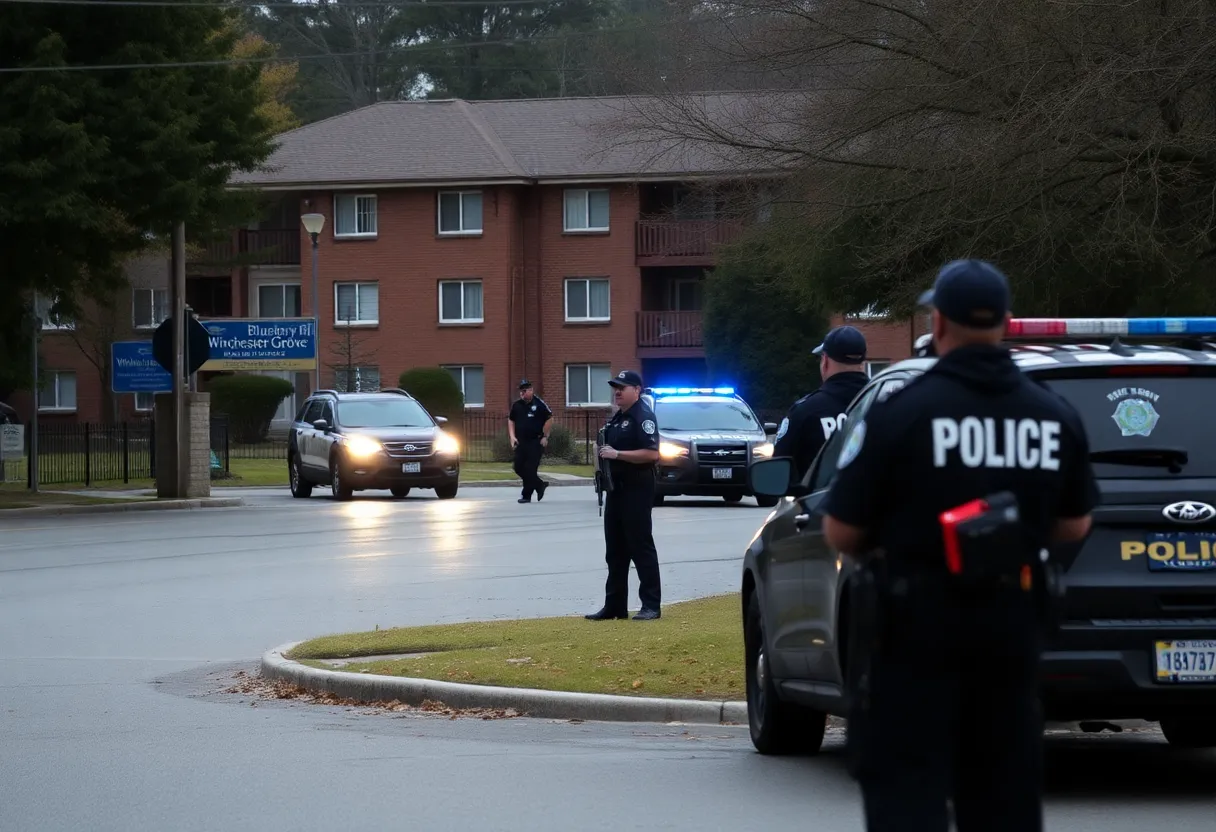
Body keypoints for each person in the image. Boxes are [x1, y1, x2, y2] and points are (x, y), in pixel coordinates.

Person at [819, 259, 1099, 832]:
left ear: (939, 322)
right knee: (1002, 796)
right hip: (1009, 630)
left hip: (915, 632)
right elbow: (1075, 525)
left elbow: (841, 530)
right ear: (1006, 322)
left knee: (906, 795)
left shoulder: (902, 412)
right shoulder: (1052, 413)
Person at [586, 369, 663, 621]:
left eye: (622, 388)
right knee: (615, 550)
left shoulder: (643, 416)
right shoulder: (618, 417)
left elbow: (652, 453)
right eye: (615, 388)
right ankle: (615, 605)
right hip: (616, 489)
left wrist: (618, 454)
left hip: (636, 488)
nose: (617, 392)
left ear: (636, 390)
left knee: (640, 546)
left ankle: (651, 605)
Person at [773, 325, 870, 481]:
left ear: (825, 361)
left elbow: (778, 470)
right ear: (862, 362)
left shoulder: (806, 411)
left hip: (820, 497)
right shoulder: (884, 404)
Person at [507, 379, 553, 504]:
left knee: (530, 469)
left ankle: (526, 495)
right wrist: (512, 436)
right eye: (520, 391)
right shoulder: (517, 405)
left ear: (531, 390)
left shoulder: (539, 404)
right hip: (521, 441)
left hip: (535, 441)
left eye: (524, 391)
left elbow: (549, 418)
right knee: (518, 467)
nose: (522, 394)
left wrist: (545, 436)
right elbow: (511, 420)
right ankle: (539, 485)